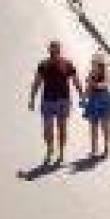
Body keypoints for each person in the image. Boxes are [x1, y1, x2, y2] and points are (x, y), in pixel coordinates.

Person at [27, 40, 82, 169]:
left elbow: (75, 80)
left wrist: (82, 95)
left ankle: (61, 153)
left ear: (60, 51)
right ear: (49, 51)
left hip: (63, 101)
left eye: (56, 51)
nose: (54, 54)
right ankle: (50, 148)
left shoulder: (67, 64)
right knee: (47, 129)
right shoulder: (43, 65)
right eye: (52, 51)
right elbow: (36, 82)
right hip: (47, 101)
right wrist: (32, 99)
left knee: (62, 128)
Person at [81, 52, 110, 162]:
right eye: (93, 62)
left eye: (96, 62)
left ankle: (106, 147)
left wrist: (93, 83)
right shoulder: (91, 73)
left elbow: (105, 84)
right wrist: (84, 98)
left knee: (105, 126)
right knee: (93, 126)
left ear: (101, 64)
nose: (94, 64)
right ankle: (94, 148)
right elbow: (88, 88)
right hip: (93, 100)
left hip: (104, 100)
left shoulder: (106, 73)